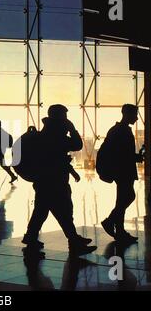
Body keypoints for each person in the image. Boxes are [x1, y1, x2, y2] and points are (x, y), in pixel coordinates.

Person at [22, 105, 97, 256]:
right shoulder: (55, 135)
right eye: (64, 116)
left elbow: (57, 158)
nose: (66, 119)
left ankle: (31, 238)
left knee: (42, 211)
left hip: (44, 180)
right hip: (54, 181)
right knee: (63, 212)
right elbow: (76, 145)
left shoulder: (46, 134)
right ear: (59, 117)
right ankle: (74, 242)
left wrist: (71, 171)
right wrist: (73, 129)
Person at [101, 104, 144, 243]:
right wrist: (136, 157)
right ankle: (110, 221)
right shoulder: (122, 131)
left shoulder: (117, 130)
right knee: (128, 196)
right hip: (123, 170)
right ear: (127, 114)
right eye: (135, 115)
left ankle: (119, 231)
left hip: (121, 170)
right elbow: (123, 154)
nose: (136, 118)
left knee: (122, 199)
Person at [0, 120, 18, 184]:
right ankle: (12, 176)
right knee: (2, 165)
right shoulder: (0, 131)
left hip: (0, 151)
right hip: (1, 151)